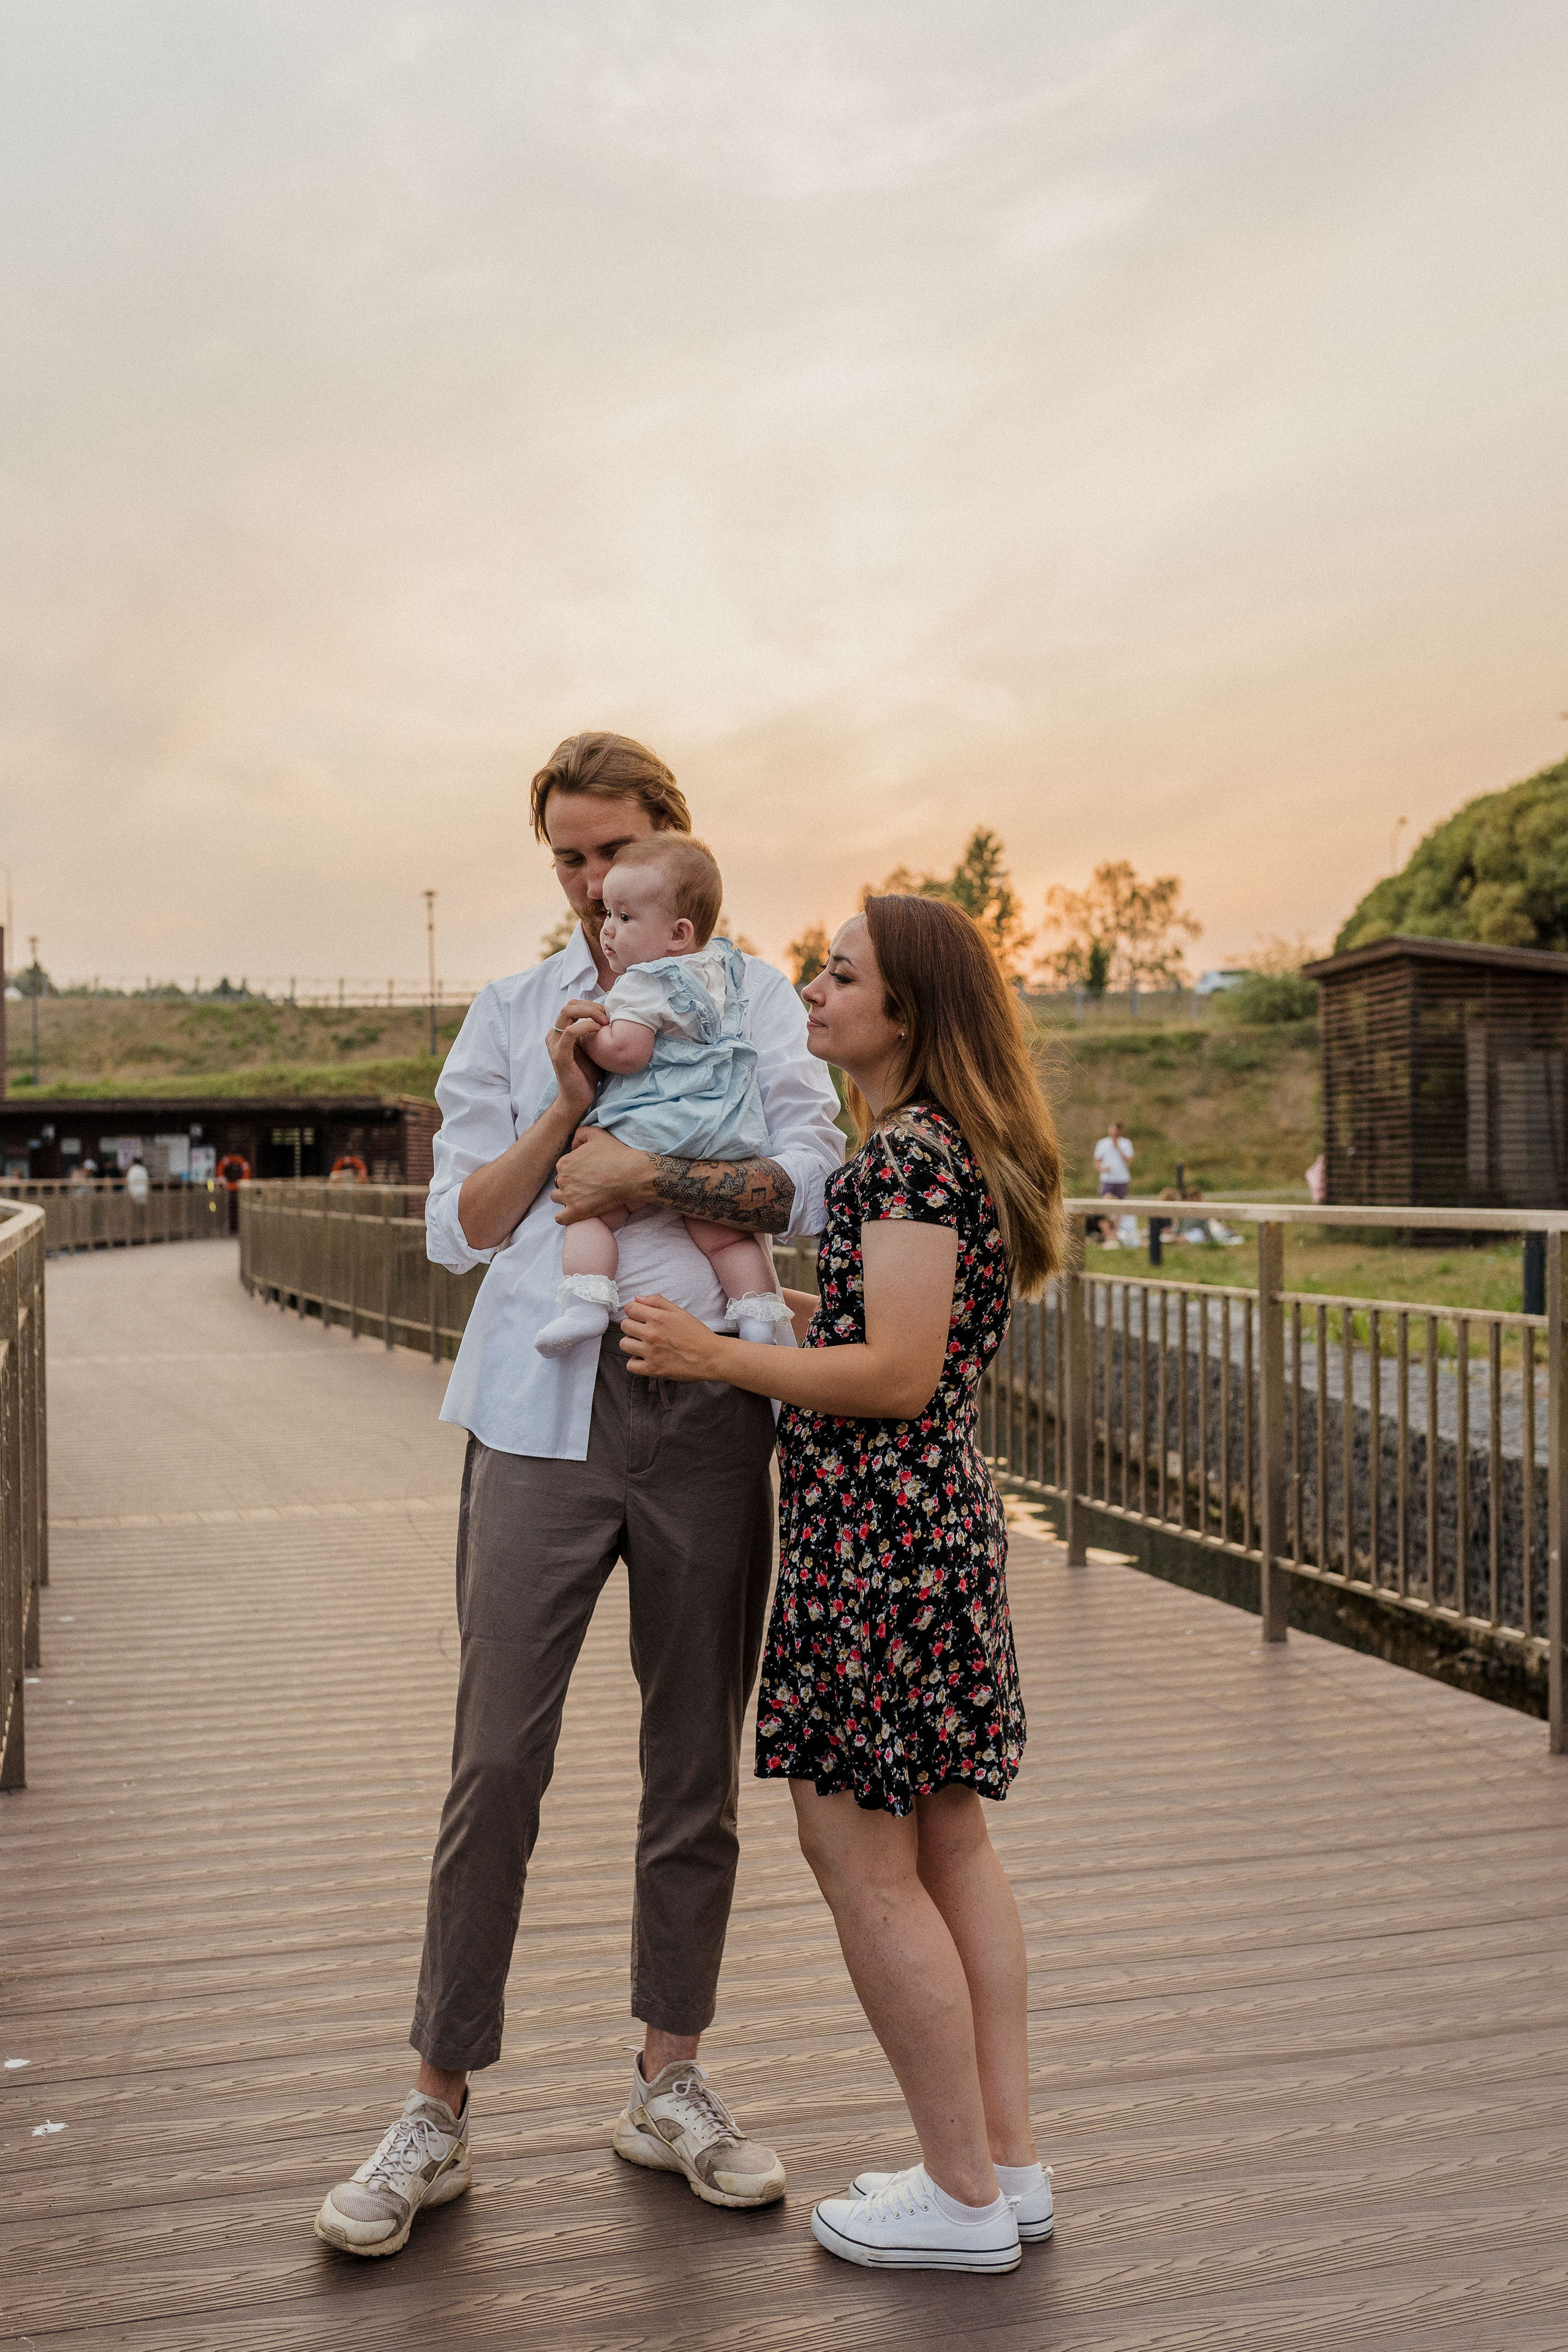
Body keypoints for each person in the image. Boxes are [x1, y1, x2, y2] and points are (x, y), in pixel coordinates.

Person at [314, 732, 843, 2260]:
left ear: (666, 841)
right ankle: (436, 2103)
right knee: (497, 1758)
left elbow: (801, 1183)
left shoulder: (751, 995)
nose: (583, 881)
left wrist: (649, 1183)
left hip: (703, 1402)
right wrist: (562, 1114)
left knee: (694, 1754)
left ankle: (667, 2077)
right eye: (560, 856)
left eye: (605, 851)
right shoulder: (511, 1006)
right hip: (539, 1412)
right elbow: (460, 1228)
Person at [620, 892, 1063, 2275]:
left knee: (861, 1860)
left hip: (874, 1546)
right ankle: (1002, 2166)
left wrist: (717, 1357)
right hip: (927, 1538)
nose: (811, 990)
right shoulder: (941, 1151)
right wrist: (803, 1319)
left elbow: (893, 1377)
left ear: (906, 1011)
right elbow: (893, 1331)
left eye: (840, 974)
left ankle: (955, 2195)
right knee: (947, 1846)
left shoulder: (902, 1160)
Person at [534, 834, 791, 1357]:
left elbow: (628, 1052)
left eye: (625, 918)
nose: (608, 929)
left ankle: (585, 1303)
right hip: (723, 1126)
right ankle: (759, 1317)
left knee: (593, 1213)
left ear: (678, 934)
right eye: (608, 915)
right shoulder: (726, 969)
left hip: (658, 1124)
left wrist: (591, 1036)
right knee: (723, 1235)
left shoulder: (642, 982)